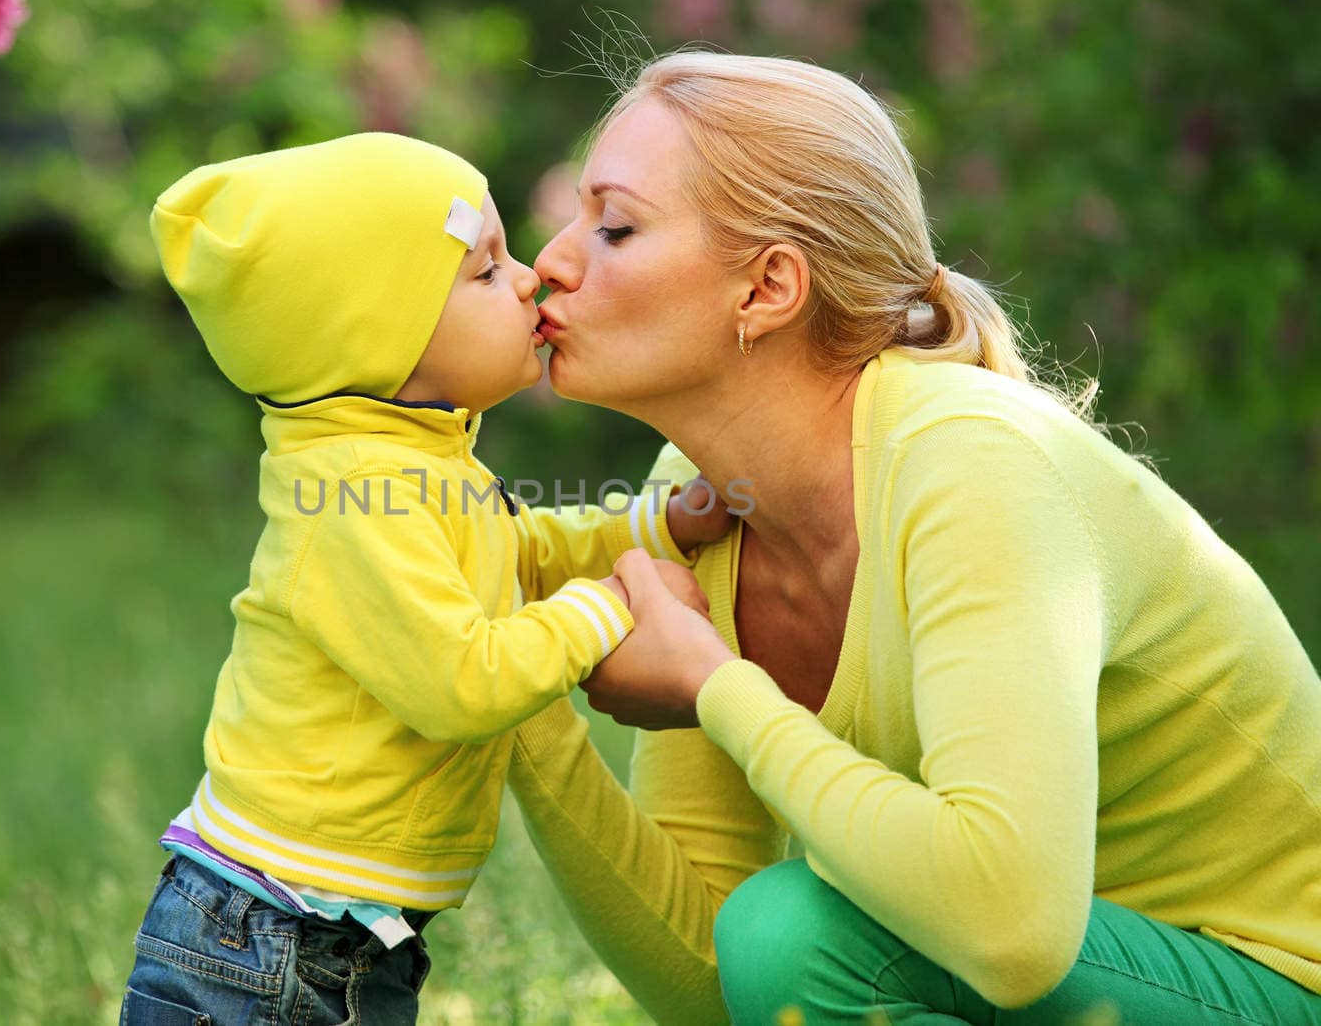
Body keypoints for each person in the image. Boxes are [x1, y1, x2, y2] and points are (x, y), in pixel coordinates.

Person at [508, 51, 1321, 1025]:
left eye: (615, 226)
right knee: (780, 938)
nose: (549, 259)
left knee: (799, 930)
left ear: (766, 288)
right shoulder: (695, 501)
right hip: (1087, 978)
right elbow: (720, 984)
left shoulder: (970, 465)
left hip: (1270, 980)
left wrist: (718, 688)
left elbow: (1010, 931)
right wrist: (508, 693)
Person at [120, 132, 725, 1025]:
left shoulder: (412, 463)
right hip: (265, 938)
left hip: (321, 930)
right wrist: (615, 605)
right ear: (382, 342)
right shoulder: (358, 499)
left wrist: (654, 526)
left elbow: (514, 552)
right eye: (484, 272)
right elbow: (459, 681)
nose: (528, 279)